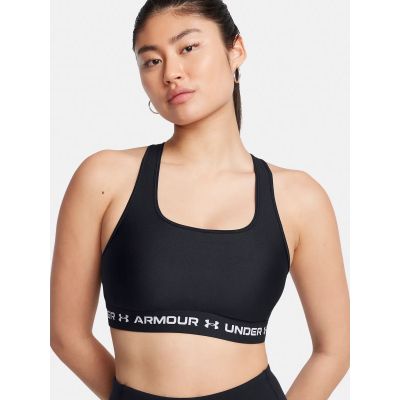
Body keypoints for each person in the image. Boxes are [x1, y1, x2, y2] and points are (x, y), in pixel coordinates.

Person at [50, 1, 350, 399]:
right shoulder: (104, 180)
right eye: (152, 61)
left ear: (236, 49)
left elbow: (334, 351)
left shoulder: (299, 199)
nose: (171, 73)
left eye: (188, 47)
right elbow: (67, 334)